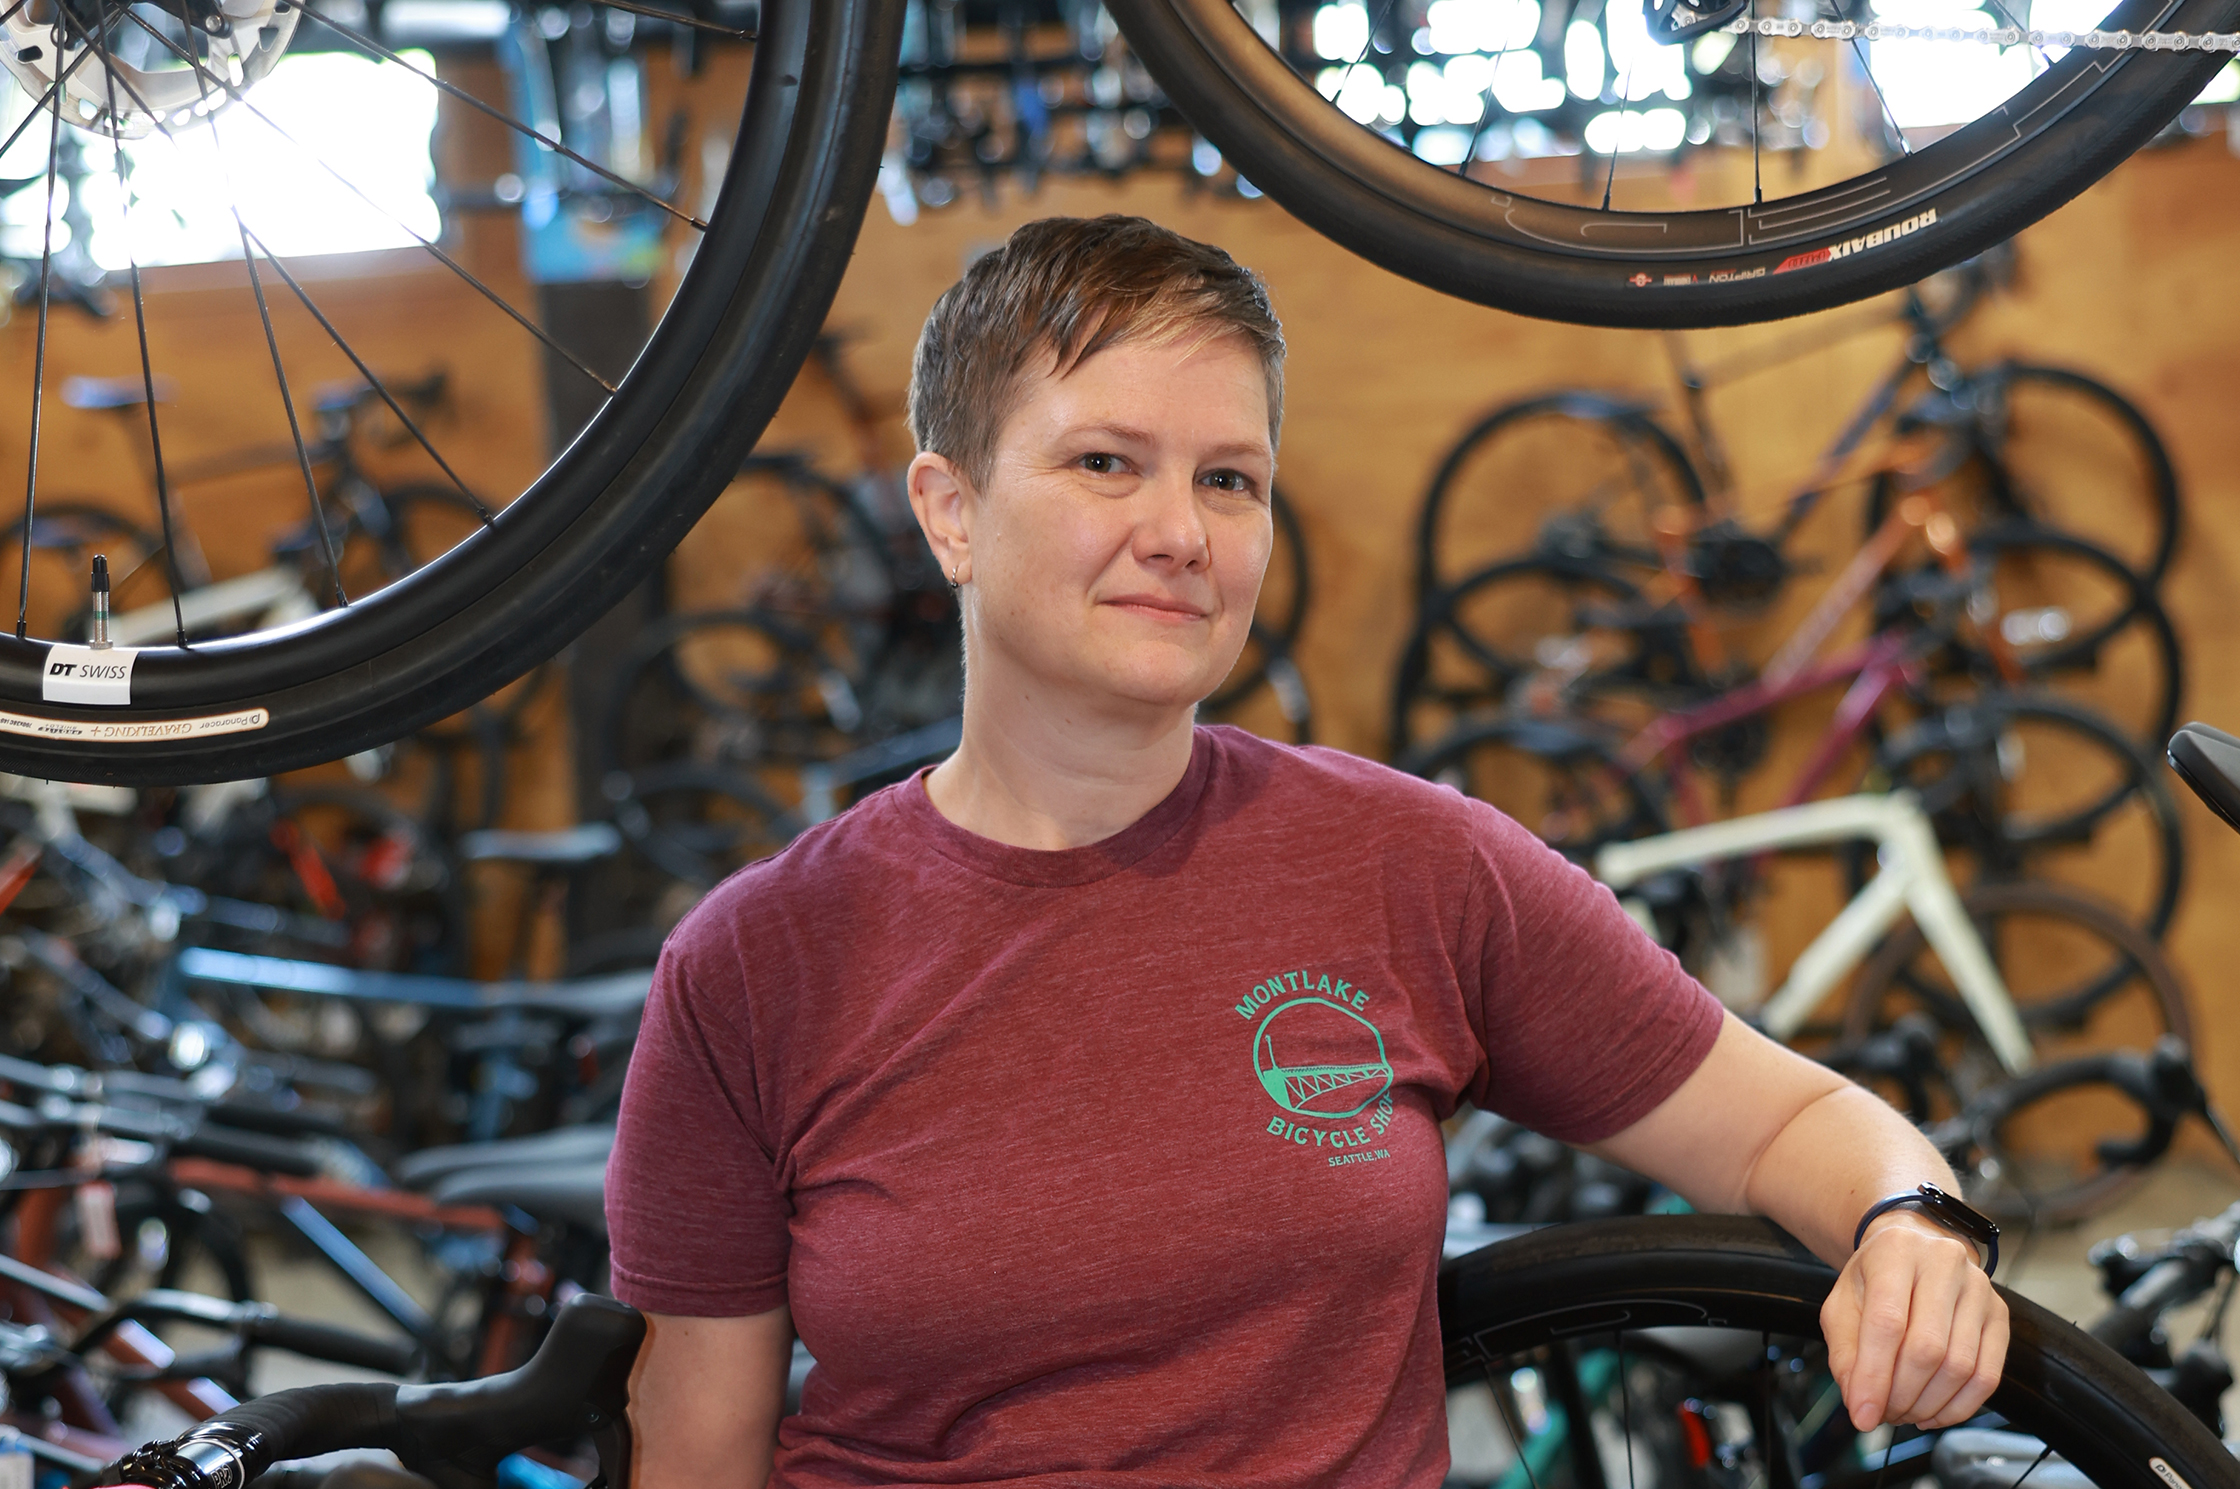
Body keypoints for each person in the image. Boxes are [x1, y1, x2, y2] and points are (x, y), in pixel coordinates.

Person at [606, 214, 2007, 1489]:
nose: (1179, 534)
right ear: (950, 508)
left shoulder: (1412, 867)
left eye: (1231, 480)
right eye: (1107, 463)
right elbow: (698, 1455)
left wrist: (1914, 1220)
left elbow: (1784, 1120)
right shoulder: (755, 963)